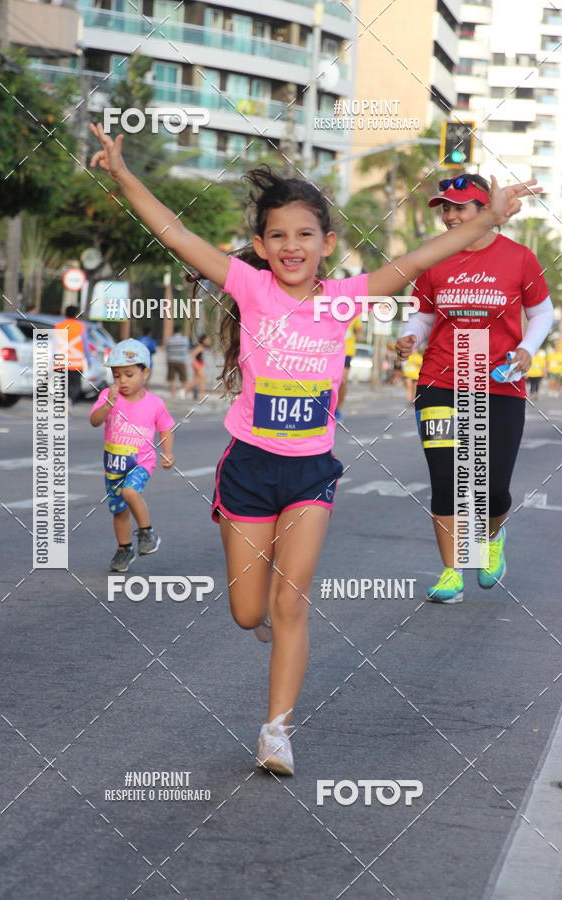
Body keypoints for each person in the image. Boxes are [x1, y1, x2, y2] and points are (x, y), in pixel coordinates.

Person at [90, 120, 537, 775]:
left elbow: (418, 260)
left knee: (289, 604)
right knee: (249, 613)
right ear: (260, 245)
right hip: (247, 470)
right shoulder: (250, 287)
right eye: (278, 236)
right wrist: (125, 175)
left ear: (327, 244)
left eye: (305, 235)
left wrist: (488, 219)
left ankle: (277, 731)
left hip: (310, 476)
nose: (291, 246)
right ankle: (263, 610)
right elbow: (176, 234)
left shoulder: (345, 299)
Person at [396, 173, 553, 605]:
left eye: (460, 207)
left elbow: (542, 314)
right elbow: (422, 315)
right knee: (446, 477)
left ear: (488, 210)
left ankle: (493, 536)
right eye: (445, 207)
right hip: (440, 380)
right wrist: (410, 335)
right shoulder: (433, 260)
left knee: (492, 487)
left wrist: (525, 349)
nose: (449, 216)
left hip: (499, 382)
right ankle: (451, 572)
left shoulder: (520, 258)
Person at [89, 338, 175, 573]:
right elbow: (95, 421)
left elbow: (165, 427)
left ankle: (147, 533)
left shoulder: (154, 403)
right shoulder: (108, 396)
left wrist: (167, 452)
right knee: (119, 510)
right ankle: (123, 548)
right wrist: (106, 405)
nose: (122, 381)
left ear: (144, 372)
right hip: (113, 465)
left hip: (141, 462)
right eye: (117, 375)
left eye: (129, 374)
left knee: (130, 491)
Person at [54, 305, 91, 405]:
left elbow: (54, 345)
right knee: (75, 385)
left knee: (62, 385)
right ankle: (69, 401)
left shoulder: (58, 326)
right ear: (76, 314)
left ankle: (63, 402)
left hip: (61, 362)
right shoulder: (81, 327)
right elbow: (86, 345)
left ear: (65, 314)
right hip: (76, 364)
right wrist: (89, 360)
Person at [335, 316, 362, 421]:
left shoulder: (355, 312)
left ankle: (337, 410)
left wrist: (357, 333)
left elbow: (359, 333)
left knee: (342, 382)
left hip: (346, 351)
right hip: (331, 349)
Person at [165, 324, 190, 397]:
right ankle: (183, 393)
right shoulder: (185, 340)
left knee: (172, 378)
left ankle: (172, 393)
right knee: (183, 379)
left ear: (174, 331)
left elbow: (167, 350)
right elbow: (186, 350)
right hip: (181, 361)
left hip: (171, 360)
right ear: (180, 331)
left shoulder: (169, 340)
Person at [184, 334, 211, 400]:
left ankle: (183, 391)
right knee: (203, 377)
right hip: (196, 365)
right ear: (203, 340)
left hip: (198, 364)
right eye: (207, 340)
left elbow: (199, 357)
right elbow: (192, 355)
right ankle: (202, 394)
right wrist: (196, 364)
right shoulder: (200, 347)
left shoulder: (201, 347)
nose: (209, 341)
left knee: (196, 381)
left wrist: (204, 363)